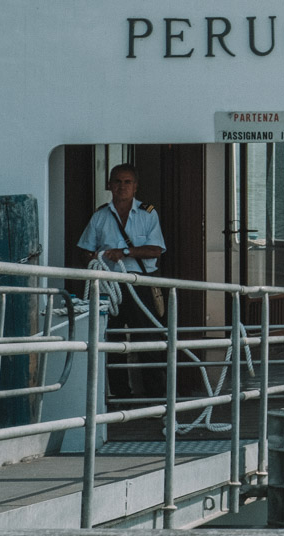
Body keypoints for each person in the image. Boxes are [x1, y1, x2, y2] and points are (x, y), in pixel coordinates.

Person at [76, 164, 167, 399]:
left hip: (140, 285)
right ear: (109, 185)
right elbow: (84, 250)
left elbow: (156, 250)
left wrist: (124, 252)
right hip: (110, 286)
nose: (122, 186)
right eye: (117, 181)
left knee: (148, 342)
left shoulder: (148, 214)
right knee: (112, 342)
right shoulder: (100, 216)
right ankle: (120, 398)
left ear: (135, 186)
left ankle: (155, 399)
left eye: (127, 182)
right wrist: (95, 258)